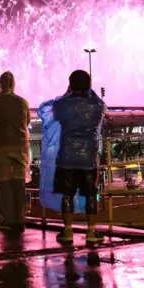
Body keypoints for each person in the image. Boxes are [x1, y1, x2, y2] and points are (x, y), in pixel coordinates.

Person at [49, 70, 106, 244]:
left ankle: (67, 231)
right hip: (88, 158)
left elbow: (55, 110)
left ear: (71, 84)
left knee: (67, 194)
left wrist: (68, 93)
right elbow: (102, 105)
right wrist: (91, 90)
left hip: (67, 157)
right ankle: (91, 232)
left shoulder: (63, 104)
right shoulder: (96, 105)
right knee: (90, 195)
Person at [0, 71, 31, 232]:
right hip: (20, 147)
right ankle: (20, 218)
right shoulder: (22, 102)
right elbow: (28, 121)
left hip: (2, 145)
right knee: (19, 184)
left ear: (0, 84)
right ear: (13, 84)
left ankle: (8, 219)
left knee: (4, 184)